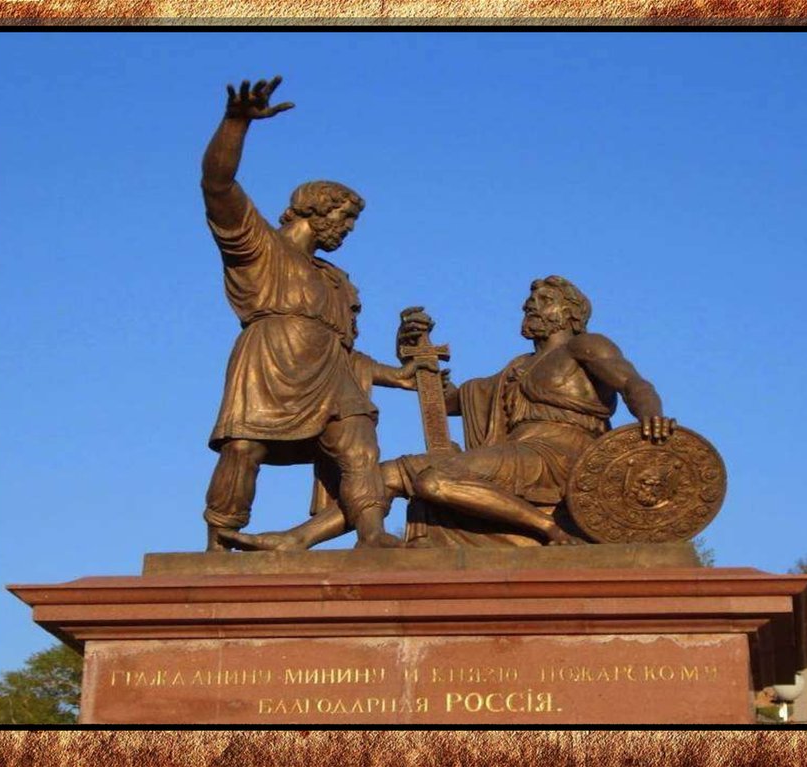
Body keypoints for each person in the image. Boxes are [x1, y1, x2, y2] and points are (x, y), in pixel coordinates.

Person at [221, 276, 675, 550]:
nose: (531, 307)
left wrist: (650, 416)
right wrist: (415, 355)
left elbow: (633, 383)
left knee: (431, 481)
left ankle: (547, 527)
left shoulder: (586, 346)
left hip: (560, 454)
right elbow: (448, 401)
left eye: (544, 301)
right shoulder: (515, 369)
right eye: (529, 302)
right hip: (519, 453)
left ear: (571, 314)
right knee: (387, 473)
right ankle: (297, 539)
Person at [199, 76, 424, 551]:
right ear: (316, 209)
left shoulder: (337, 281)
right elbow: (217, 185)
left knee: (359, 443)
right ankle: (220, 540)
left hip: (332, 375)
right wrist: (236, 123)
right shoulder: (259, 247)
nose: (348, 230)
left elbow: (346, 353)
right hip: (270, 360)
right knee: (244, 449)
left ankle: (372, 534)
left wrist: (399, 375)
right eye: (345, 218)